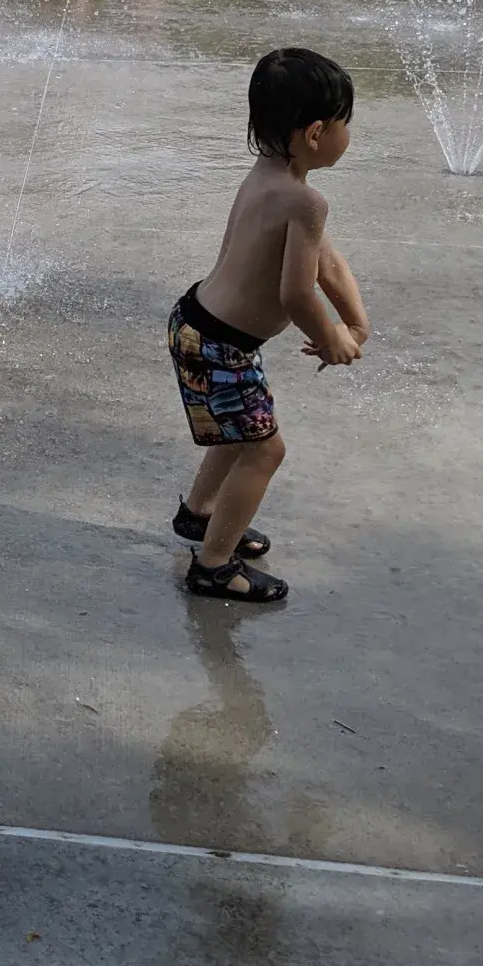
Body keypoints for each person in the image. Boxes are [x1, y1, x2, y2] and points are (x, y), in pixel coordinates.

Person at [168, 47, 368, 602]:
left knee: (240, 434)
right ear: (316, 133)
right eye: (346, 123)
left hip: (199, 326)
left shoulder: (272, 178)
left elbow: (323, 259)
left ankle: (199, 514)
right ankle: (210, 565)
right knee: (264, 450)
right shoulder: (305, 201)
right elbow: (296, 292)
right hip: (220, 348)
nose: (349, 134)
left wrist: (356, 320)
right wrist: (330, 338)